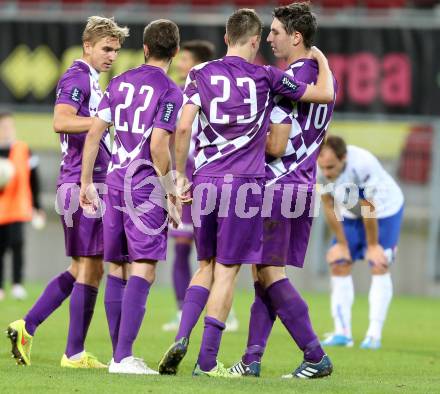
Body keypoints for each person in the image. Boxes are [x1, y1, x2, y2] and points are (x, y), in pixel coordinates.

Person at [158, 8, 334, 377]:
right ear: (253, 40)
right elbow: (326, 95)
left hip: (244, 182)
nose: (270, 40)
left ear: (225, 38)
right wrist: (323, 60)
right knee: (252, 272)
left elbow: (187, 127)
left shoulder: (201, 73)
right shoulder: (270, 76)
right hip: (264, 183)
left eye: (277, 33)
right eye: (266, 34)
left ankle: (306, 354)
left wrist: (177, 177)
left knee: (232, 268)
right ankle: (236, 359)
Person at [6, 16, 129, 368]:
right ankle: (71, 351)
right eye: (106, 48)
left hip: (86, 182)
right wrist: (104, 121)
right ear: (87, 45)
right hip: (80, 183)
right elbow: (61, 120)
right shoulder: (76, 77)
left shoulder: (93, 80)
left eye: (116, 50)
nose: (111, 56)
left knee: (85, 268)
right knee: (89, 267)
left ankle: (28, 326)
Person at [229, 2, 336, 379]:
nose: (268, 38)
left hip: (277, 186)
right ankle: (252, 359)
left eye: (275, 32)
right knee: (264, 274)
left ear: (296, 36)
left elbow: (276, 144)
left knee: (271, 274)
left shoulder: (287, 81)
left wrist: (240, 143)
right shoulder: (323, 77)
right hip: (302, 185)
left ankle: (314, 354)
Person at [80, 19, 182, 375]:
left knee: (117, 267)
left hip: (112, 182)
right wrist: (170, 191)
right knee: (144, 267)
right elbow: (158, 145)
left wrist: (84, 183)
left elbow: (94, 135)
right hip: (143, 187)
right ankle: (123, 358)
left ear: (145, 49)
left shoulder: (119, 82)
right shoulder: (170, 90)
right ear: (176, 52)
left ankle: (118, 356)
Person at [317, 135, 404, 350]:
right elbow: (329, 205)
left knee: (379, 264)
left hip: (384, 211)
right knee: (339, 263)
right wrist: (342, 244)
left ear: (343, 157)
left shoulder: (363, 164)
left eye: (331, 167)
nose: (326, 173)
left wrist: (373, 246)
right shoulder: (317, 167)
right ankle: (342, 333)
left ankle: (373, 335)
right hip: (351, 213)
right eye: (323, 168)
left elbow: (369, 207)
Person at [0, 111, 44, 301]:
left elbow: (35, 179)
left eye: (9, 126)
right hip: (1, 208)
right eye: (3, 126)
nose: (6, 130)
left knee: (17, 243)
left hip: (18, 206)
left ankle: (17, 284)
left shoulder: (23, 149)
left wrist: (37, 206)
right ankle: (0, 287)